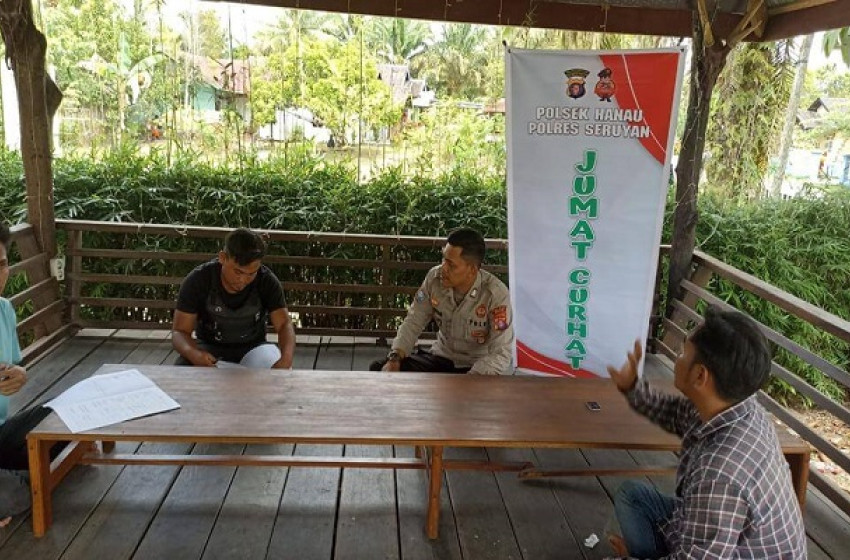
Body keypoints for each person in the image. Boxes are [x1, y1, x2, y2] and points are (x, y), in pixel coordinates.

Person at [605, 307, 806, 559]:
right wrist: (631, 387)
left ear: (700, 375)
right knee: (632, 496)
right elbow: (673, 413)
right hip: (714, 534)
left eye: (682, 352)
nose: (677, 357)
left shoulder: (720, 473)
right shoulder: (737, 405)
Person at [370, 227, 513, 375]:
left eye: (451, 265)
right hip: (441, 359)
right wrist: (394, 358)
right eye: (444, 259)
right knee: (380, 368)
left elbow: (501, 353)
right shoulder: (434, 279)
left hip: (477, 367)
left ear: (472, 270)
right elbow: (414, 321)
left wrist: (469, 380)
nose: (444, 268)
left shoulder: (495, 294)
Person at [0, 224, 67, 527]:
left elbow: (14, 365)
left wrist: (20, 373)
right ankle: (31, 478)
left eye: (1, 264)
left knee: (65, 413)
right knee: (13, 495)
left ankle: (25, 477)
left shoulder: (4, 310)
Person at [172, 228, 295, 369]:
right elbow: (180, 331)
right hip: (209, 349)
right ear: (222, 258)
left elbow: (284, 324)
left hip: (254, 350)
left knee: (276, 365)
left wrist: (286, 359)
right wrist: (193, 354)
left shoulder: (267, 281)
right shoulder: (198, 280)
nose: (243, 280)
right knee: (183, 368)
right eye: (238, 272)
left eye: (251, 274)